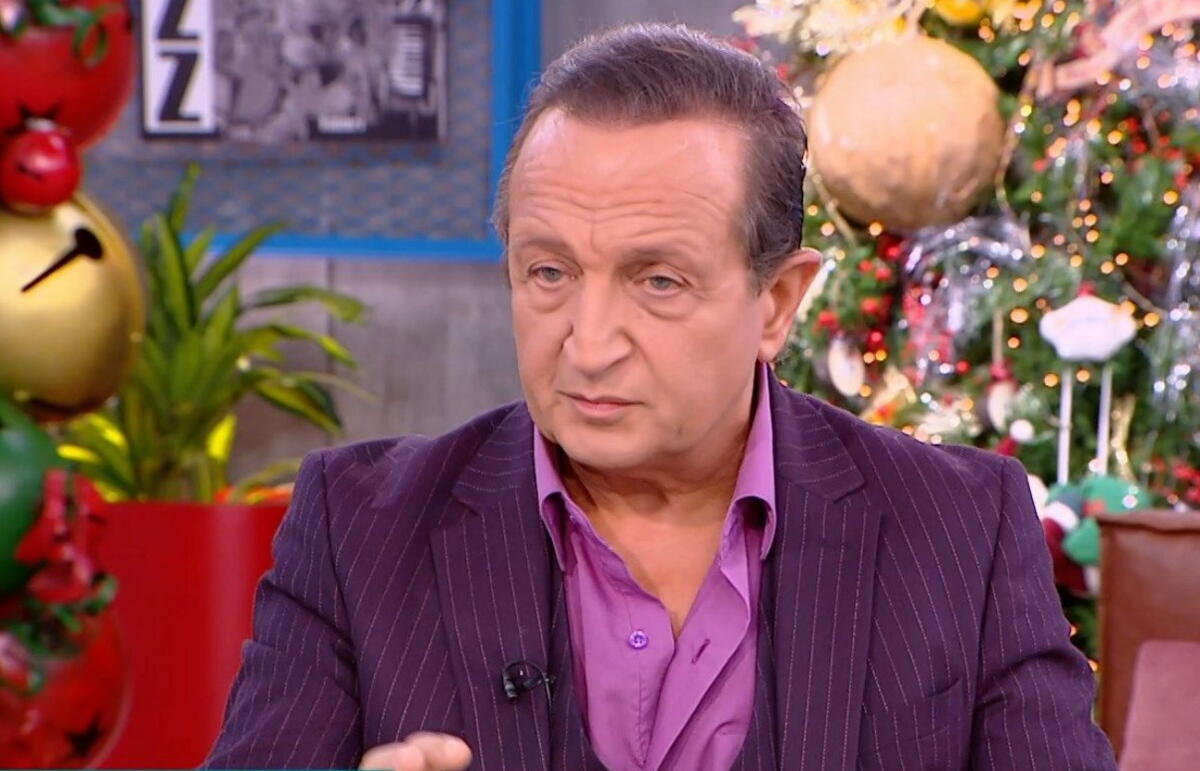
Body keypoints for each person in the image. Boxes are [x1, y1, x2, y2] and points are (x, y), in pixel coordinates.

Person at [202, 23, 1117, 771]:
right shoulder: (361, 531)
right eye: (550, 271)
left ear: (777, 302)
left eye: (658, 281)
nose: (590, 342)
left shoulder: (960, 529)